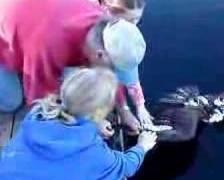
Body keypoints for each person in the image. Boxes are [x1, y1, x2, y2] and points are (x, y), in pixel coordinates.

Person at [0, 0, 148, 141]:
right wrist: (90, 123)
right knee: (11, 102)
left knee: (73, 76)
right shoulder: (50, 48)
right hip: (7, 37)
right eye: (112, 67)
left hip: (33, 23)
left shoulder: (104, 26)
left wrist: (124, 110)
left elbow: (112, 75)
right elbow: (40, 101)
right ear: (100, 54)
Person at [0, 68, 157, 180]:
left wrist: (94, 125)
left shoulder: (38, 114)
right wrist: (143, 146)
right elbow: (125, 166)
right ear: (98, 113)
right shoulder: (96, 154)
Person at [132, 86, 224, 180]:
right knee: (186, 135)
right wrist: (145, 136)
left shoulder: (216, 102)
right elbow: (184, 133)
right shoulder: (189, 122)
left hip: (176, 115)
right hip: (179, 121)